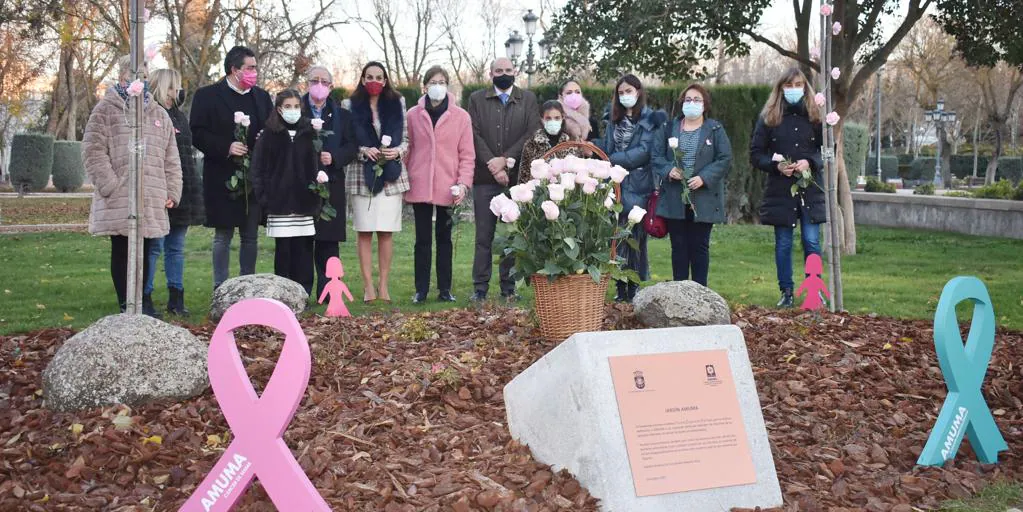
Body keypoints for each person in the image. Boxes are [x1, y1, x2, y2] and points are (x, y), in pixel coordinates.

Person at [83, 55, 182, 314]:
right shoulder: (105, 110)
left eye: (144, 75)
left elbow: (171, 157)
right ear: (121, 75)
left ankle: (141, 302)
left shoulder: (158, 113)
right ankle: (125, 304)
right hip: (120, 195)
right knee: (123, 249)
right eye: (133, 73)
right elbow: (93, 151)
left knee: (148, 247)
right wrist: (111, 186)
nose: (139, 79)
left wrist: (172, 191)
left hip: (151, 195)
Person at [190, 45, 273, 289]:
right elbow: (197, 133)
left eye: (255, 68)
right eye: (250, 68)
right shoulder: (207, 96)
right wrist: (226, 146)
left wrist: (263, 139)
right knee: (223, 236)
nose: (254, 72)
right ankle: (221, 288)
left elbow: (271, 128)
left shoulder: (261, 97)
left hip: (252, 177)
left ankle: (246, 285)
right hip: (222, 175)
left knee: (250, 237)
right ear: (234, 70)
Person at [750, 67, 825, 308]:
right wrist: (777, 166)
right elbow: (756, 154)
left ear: (805, 87)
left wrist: (810, 162)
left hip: (810, 189)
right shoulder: (769, 117)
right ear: (781, 88)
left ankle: (815, 289)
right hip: (781, 191)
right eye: (788, 85)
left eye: (798, 85)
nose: (793, 90)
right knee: (783, 243)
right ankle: (787, 291)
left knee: (811, 240)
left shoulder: (816, 116)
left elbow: (827, 151)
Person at [467, 57, 540, 302]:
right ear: (491, 73)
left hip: (516, 178)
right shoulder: (477, 99)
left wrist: (506, 159)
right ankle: (480, 287)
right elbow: (474, 134)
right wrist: (493, 164)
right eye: (499, 70)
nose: (504, 74)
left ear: (515, 72)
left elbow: (531, 133)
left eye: (508, 70)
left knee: (512, 235)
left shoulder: (527, 99)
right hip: (484, 177)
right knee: (483, 236)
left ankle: (509, 288)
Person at [405, 66, 475, 303]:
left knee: (444, 240)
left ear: (448, 85)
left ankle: (445, 289)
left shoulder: (461, 117)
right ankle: (420, 290)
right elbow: (408, 147)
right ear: (425, 86)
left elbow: (467, 155)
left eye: (442, 81)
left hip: (449, 186)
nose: (438, 86)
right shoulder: (412, 115)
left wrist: (463, 184)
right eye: (433, 81)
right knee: (422, 240)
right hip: (420, 184)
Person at [594, 74, 666, 302]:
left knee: (635, 238)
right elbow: (605, 146)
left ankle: (633, 286)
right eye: (621, 92)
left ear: (639, 91)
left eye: (629, 91)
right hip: (614, 185)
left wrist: (611, 159)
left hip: (638, 184)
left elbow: (644, 152)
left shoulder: (649, 119)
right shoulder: (612, 118)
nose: (625, 96)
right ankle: (619, 285)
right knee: (616, 238)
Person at [652, 84, 732, 287]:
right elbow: (656, 156)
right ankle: (679, 292)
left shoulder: (715, 129)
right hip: (674, 197)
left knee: (699, 247)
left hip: (703, 197)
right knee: (678, 246)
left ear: (705, 105)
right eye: (688, 99)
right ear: (682, 103)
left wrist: (704, 177)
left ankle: (700, 292)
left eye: (697, 100)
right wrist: (668, 170)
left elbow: (724, 158)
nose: (692, 103)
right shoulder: (668, 128)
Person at [344, 61, 409, 303]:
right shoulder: (349, 105)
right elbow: (348, 140)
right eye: (369, 76)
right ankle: (368, 286)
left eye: (379, 77)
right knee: (364, 231)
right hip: (361, 174)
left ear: (385, 80)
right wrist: (363, 150)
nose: (374, 81)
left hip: (391, 173)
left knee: (385, 232)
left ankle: (384, 285)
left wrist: (398, 151)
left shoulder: (397, 103)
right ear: (362, 79)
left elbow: (406, 138)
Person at [144, 68, 205, 316]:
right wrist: (165, 189)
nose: (177, 92)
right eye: (173, 86)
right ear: (162, 87)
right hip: (160, 189)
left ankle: (176, 297)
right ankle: (144, 296)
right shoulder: (150, 115)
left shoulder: (179, 116)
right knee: (155, 246)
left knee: (176, 246)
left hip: (183, 187)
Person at [250, 89, 320, 294]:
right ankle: (284, 293)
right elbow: (258, 169)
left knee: (304, 250)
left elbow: (316, 166)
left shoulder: (309, 133)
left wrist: (316, 195)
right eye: (288, 107)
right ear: (279, 109)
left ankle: (304, 292)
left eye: (296, 106)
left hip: (304, 202)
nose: (293, 110)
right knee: (284, 251)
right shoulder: (268, 135)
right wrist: (265, 197)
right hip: (278, 205)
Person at [301, 65, 358, 299]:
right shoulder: (296, 109)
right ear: (307, 84)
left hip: (332, 183)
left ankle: (328, 292)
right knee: (303, 240)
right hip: (302, 183)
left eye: (325, 82)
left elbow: (352, 146)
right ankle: (302, 290)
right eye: (315, 80)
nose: (319, 85)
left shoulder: (342, 115)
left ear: (331, 86)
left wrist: (334, 157)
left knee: (328, 241)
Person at [518, 100, 581, 183]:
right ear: (542, 119)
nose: (553, 121)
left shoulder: (571, 143)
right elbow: (523, 176)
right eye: (548, 118)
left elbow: (579, 174)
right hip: (539, 193)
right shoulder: (531, 144)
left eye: (557, 118)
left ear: (563, 117)